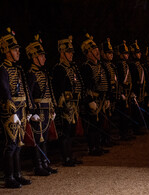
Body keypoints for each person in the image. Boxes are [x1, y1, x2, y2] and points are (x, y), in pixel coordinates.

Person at [0, 27, 31, 188]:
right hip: (10, 111)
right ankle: (9, 176)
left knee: (19, 143)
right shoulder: (2, 69)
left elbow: (25, 89)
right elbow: (4, 90)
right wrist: (12, 111)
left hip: (21, 109)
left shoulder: (18, 69)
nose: (18, 52)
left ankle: (18, 174)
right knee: (10, 144)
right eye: (15, 50)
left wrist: (29, 109)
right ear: (7, 52)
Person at [26, 34, 57, 176]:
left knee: (44, 138)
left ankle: (45, 163)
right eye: (41, 55)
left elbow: (49, 91)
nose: (44, 58)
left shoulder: (43, 73)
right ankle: (38, 165)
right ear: (34, 57)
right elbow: (29, 94)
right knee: (37, 139)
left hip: (46, 109)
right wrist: (32, 112)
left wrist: (52, 108)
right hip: (38, 110)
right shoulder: (31, 74)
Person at [52, 35, 84, 166]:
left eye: (71, 52)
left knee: (71, 132)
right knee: (65, 132)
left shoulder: (72, 68)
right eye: (68, 53)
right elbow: (57, 88)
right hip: (64, 106)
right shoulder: (59, 69)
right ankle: (65, 157)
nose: (71, 55)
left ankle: (70, 155)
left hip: (73, 105)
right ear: (62, 53)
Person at [80, 33, 110, 156]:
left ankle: (98, 145)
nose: (97, 52)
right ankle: (92, 147)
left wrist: (107, 98)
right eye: (94, 50)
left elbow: (106, 82)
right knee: (92, 125)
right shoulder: (86, 67)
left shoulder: (101, 65)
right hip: (93, 99)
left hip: (102, 99)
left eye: (97, 50)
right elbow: (85, 86)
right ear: (88, 53)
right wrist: (89, 100)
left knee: (100, 124)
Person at [100, 37, 119, 146]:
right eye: (108, 53)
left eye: (111, 53)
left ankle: (108, 138)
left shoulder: (112, 66)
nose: (111, 55)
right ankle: (104, 139)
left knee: (109, 118)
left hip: (112, 95)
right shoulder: (103, 66)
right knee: (104, 120)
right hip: (106, 96)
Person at [115, 40, 135, 140]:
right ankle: (122, 133)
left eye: (127, 53)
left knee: (127, 114)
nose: (126, 55)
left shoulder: (126, 65)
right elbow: (118, 80)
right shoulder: (119, 65)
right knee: (122, 115)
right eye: (125, 53)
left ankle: (126, 132)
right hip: (122, 94)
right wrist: (121, 93)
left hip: (128, 93)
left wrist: (130, 92)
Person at [129, 40, 148, 134]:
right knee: (135, 112)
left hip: (141, 91)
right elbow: (132, 79)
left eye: (139, 52)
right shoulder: (132, 65)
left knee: (140, 110)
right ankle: (135, 129)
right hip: (135, 91)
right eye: (137, 52)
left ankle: (140, 127)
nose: (139, 54)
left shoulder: (140, 65)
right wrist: (132, 91)